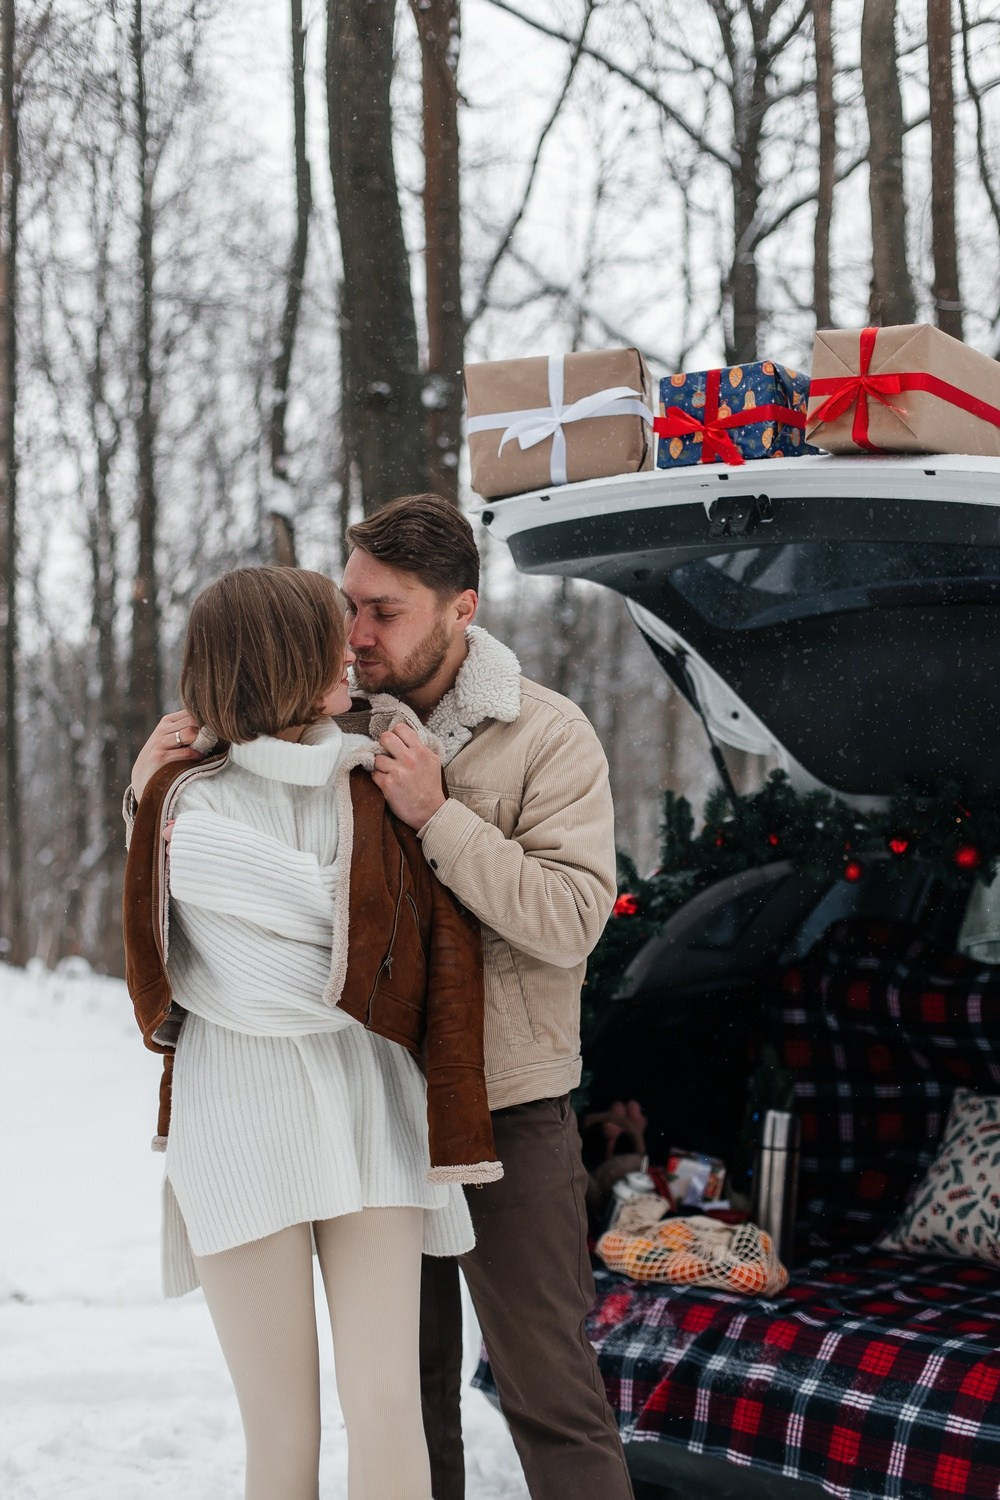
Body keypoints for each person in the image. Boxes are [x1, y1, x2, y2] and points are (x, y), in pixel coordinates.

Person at [121, 566, 499, 1500]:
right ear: (276, 657)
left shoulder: (377, 784)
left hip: (374, 1124)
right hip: (241, 1132)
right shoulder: (189, 801)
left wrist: (236, 876)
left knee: (388, 1413)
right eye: (329, 636)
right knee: (281, 1436)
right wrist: (350, 925)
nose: (353, 649)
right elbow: (266, 991)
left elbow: (403, 969)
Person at [337, 494, 635, 1500]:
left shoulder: (546, 736)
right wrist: (151, 788)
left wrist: (437, 816)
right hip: (373, 1113)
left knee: (553, 1400)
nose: (356, 633)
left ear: (462, 608)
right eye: (351, 605)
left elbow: (568, 919)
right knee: (401, 1404)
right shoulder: (329, 718)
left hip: (510, 1112)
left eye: (385, 611)